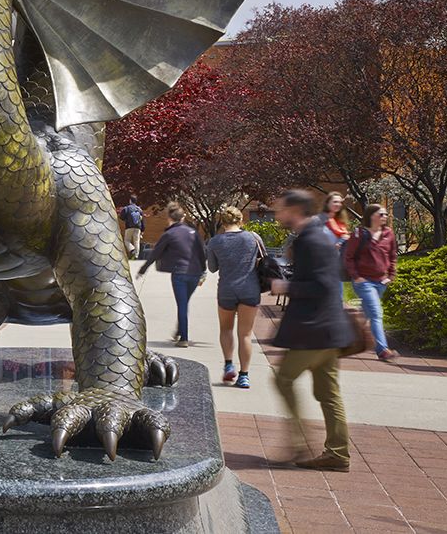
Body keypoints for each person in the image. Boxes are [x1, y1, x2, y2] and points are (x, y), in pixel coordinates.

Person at [270, 189, 353, 472]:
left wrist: (287, 287)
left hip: (314, 331)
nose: (278, 214)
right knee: (328, 394)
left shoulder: (312, 240)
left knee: (283, 380)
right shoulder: (317, 236)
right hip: (327, 330)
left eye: (281, 209)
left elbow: (323, 286)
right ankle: (338, 453)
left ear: (295, 210)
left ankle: (300, 441)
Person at [206, 205, 265, 388]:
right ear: (241, 220)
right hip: (250, 289)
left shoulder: (215, 241)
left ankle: (228, 364)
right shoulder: (253, 238)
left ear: (222, 222)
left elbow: (212, 268)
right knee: (245, 334)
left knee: (226, 329)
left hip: (226, 290)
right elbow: (264, 259)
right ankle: (244, 375)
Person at [136, 202, 207, 347]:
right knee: (184, 303)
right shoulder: (193, 233)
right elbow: (201, 252)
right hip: (194, 273)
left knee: (182, 305)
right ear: (182, 218)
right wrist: (203, 271)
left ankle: (184, 338)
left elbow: (155, 253)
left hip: (179, 273)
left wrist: (143, 269)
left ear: (169, 217)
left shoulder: (169, 234)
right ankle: (181, 329)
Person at [343, 203, 398, 362]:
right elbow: (349, 257)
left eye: (386, 214)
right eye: (381, 214)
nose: (385, 217)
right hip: (364, 282)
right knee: (376, 313)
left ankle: (342, 338)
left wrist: (391, 275)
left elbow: (393, 256)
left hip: (381, 281)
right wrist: (356, 276)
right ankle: (382, 350)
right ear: (371, 215)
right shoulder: (359, 234)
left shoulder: (388, 233)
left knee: (366, 314)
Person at [119, 196, 145, 260]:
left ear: (130, 200)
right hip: (138, 227)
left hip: (129, 227)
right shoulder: (140, 210)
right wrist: (143, 229)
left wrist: (125, 219)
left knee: (127, 240)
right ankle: (136, 256)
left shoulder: (127, 208)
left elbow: (121, 216)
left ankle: (132, 249)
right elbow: (142, 220)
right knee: (136, 241)